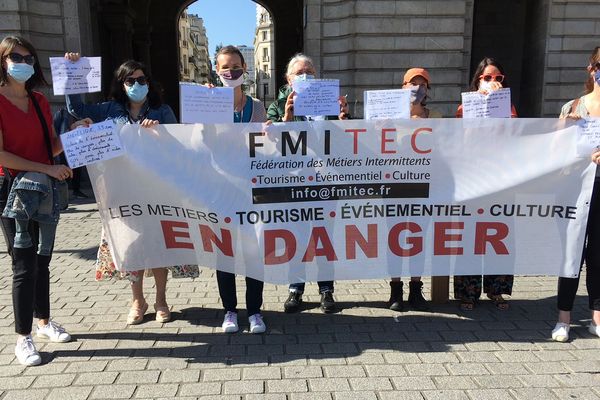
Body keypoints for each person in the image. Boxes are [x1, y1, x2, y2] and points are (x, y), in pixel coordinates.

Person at [65, 53, 199, 325]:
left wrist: (161, 132)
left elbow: (179, 146)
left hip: (158, 189)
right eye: (131, 80)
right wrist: (72, 74)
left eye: (142, 79)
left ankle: (161, 298)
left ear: (149, 82)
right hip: (122, 190)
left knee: (160, 244)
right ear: (121, 84)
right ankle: (137, 299)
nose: (137, 84)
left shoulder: (162, 110)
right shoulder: (108, 110)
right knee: (132, 246)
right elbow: (77, 110)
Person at [0, 36, 73, 366]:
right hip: (12, 190)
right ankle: (22, 338)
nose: (24, 63)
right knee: (23, 264)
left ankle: (43, 323)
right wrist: (47, 168)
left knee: (42, 260)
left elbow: (52, 148)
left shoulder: (40, 101)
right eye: (16, 57)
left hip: (43, 190)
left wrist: (78, 134)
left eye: (29, 58)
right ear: (2, 60)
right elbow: (2, 154)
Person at [267, 53, 349, 314]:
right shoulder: (277, 106)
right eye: (299, 73)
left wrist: (345, 119)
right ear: (288, 79)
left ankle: (327, 290)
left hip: (326, 181)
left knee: (324, 238)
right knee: (297, 238)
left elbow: (346, 143)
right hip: (295, 183)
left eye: (310, 72)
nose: (305, 77)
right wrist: (287, 119)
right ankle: (296, 289)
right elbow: (273, 147)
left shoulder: (331, 102)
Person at [453, 57, 516, 310]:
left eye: (497, 78)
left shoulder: (509, 108)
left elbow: (513, 138)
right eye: (487, 77)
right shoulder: (464, 108)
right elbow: (460, 141)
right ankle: (468, 292)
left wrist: (498, 107)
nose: (493, 82)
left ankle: (496, 290)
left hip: (500, 179)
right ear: (477, 80)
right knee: (470, 236)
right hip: (472, 180)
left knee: (498, 236)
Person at [213, 45, 268, 333]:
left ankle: (255, 311)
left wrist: (271, 134)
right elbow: (196, 142)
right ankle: (230, 311)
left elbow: (263, 150)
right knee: (225, 253)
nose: (231, 72)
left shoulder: (256, 107)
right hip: (220, 190)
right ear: (217, 70)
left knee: (252, 253)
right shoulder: (208, 104)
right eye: (225, 67)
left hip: (251, 190)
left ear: (244, 69)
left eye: (235, 67)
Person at [552, 46, 600, 342]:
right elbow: (555, 154)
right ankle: (563, 318)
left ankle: (596, 316)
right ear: (590, 68)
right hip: (574, 188)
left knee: (599, 254)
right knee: (570, 253)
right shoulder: (573, 107)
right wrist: (562, 128)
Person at [388, 68, 441, 312]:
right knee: (394, 240)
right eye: (412, 83)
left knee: (418, 239)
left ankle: (416, 289)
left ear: (428, 90)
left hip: (425, 189)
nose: (417, 88)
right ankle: (395, 290)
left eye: (422, 84)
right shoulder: (389, 118)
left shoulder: (437, 117)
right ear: (402, 87)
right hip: (394, 189)